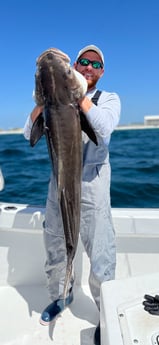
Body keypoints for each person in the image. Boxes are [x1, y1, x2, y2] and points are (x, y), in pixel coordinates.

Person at [23, 44, 121, 345]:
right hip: (58, 186)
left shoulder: (108, 99)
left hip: (93, 186)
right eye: (82, 62)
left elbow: (103, 130)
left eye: (95, 63)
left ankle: (106, 313)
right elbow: (29, 134)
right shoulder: (52, 99)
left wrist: (76, 98)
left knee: (101, 255)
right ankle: (61, 296)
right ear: (75, 67)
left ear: (101, 71)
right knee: (56, 248)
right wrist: (45, 97)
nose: (88, 67)